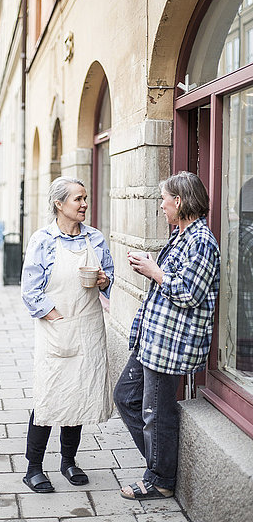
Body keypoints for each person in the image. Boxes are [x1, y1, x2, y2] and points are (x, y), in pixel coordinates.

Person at [114, 171, 220, 501]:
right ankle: (162, 463)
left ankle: (160, 479)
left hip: (172, 343)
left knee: (157, 413)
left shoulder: (202, 242)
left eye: (164, 199)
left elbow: (190, 293)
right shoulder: (181, 235)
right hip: (154, 337)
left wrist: (155, 272)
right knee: (126, 397)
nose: (161, 205)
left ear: (180, 201)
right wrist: (152, 265)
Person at [21, 176, 114, 493]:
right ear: (59, 204)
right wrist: (57, 317)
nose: (85, 204)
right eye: (78, 199)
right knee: (48, 398)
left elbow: (109, 279)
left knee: (78, 395)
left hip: (88, 329)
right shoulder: (42, 241)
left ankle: (68, 462)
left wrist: (103, 280)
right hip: (56, 330)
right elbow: (30, 292)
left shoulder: (96, 240)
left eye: (85, 198)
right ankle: (33, 468)